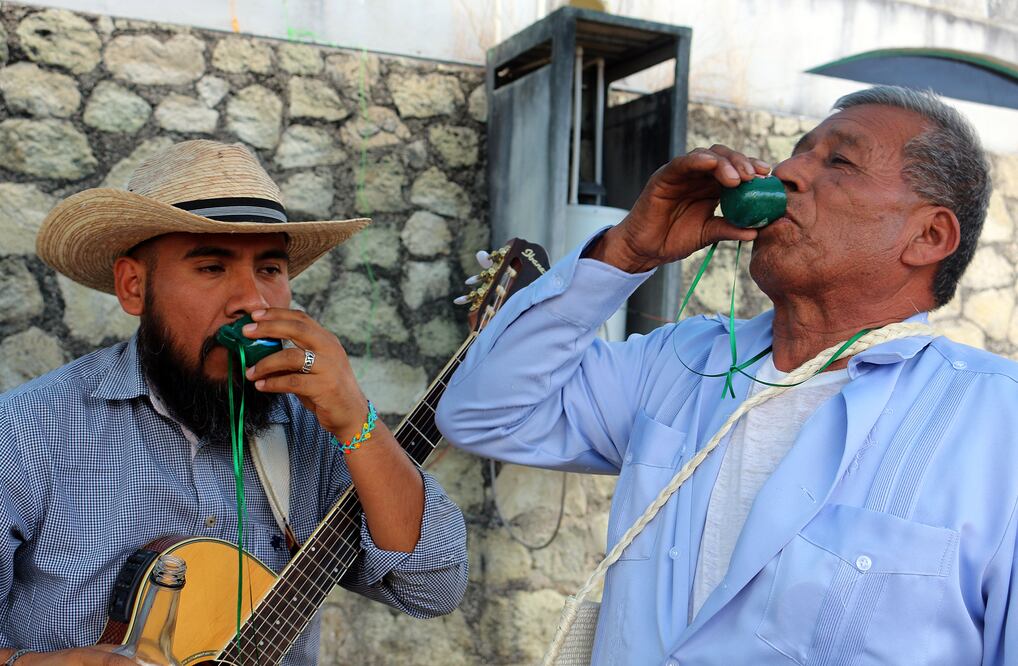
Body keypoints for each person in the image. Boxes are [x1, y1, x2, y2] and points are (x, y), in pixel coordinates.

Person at [436, 85, 1018, 664]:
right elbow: (484, 415)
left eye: (839, 161)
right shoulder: (681, 362)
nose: (787, 170)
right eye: (798, 151)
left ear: (928, 236)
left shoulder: (998, 426)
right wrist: (626, 253)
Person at [0, 140, 468, 665]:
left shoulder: (316, 424)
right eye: (211, 267)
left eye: (270, 269)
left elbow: (433, 588)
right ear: (134, 287)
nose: (253, 300)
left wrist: (359, 422)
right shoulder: (26, 431)